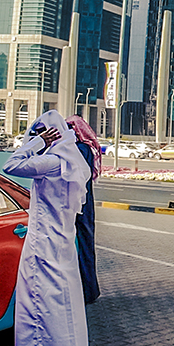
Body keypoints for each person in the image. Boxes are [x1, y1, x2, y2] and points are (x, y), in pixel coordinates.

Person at [4, 110, 90, 346]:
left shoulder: (52, 162)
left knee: (38, 299)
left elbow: (11, 165)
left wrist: (37, 143)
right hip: (62, 239)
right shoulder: (70, 163)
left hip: (43, 241)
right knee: (62, 300)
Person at [65, 116, 103, 305]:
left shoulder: (79, 149)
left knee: (81, 246)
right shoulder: (86, 148)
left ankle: (86, 290)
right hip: (85, 202)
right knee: (86, 245)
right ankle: (89, 289)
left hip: (79, 202)